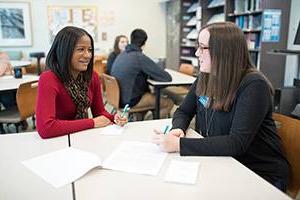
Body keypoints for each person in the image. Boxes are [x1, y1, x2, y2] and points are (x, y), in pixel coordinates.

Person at [152, 22, 289, 191]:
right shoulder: (206, 77)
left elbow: (236, 143)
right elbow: (184, 111)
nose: (197, 53)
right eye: (198, 47)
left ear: (223, 51)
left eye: (203, 48)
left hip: (258, 173)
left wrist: (178, 144)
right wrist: (178, 128)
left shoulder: (254, 85)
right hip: (222, 161)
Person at [36, 26, 127, 139]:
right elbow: (46, 128)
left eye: (89, 50)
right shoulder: (48, 79)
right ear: (65, 51)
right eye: (80, 49)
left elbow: (99, 112)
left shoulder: (91, 76)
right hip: (58, 140)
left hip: (83, 136)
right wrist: (92, 123)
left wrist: (114, 118)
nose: (88, 55)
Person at [111, 29, 174, 119]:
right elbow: (166, 77)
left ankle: (142, 121)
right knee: (168, 103)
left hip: (118, 98)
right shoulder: (139, 57)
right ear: (144, 43)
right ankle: (150, 127)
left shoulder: (121, 55)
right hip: (131, 101)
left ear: (131, 40)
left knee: (148, 96)